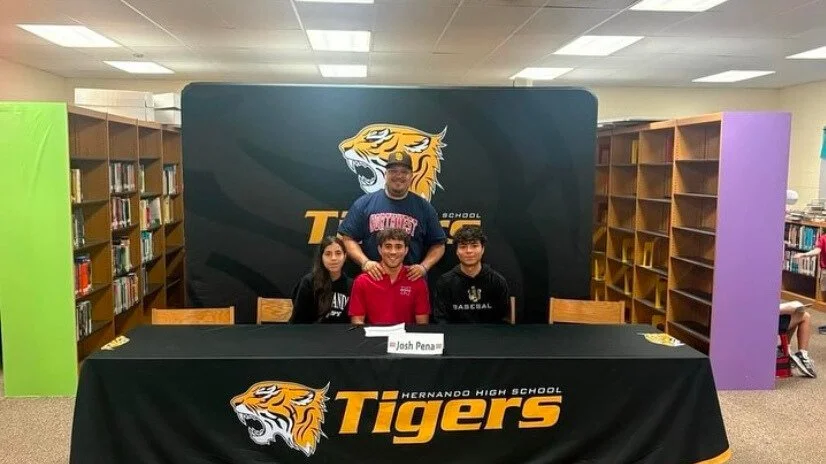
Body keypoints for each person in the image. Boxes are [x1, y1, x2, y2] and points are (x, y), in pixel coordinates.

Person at [338, 151, 446, 282]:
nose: (399, 176)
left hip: (409, 282)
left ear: (411, 176)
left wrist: (424, 267)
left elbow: (439, 244)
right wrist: (365, 262)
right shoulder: (364, 203)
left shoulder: (424, 208)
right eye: (393, 171)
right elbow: (347, 238)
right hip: (374, 280)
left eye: (404, 172)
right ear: (385, 174)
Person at [348, 228, 430, 325]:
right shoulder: (362, 281)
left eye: (398, 247)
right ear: (379, 249)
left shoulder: (417, 280)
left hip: (404, 339)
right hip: (373, 339)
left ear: (406, 250)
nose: (393, 252)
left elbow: (422, 326)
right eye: (388, 246)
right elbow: (357, 322)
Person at [434, 225, 510, 323]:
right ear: (456, 251)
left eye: (474, 246)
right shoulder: (445, 282)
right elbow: (441, 320)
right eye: (463, 246)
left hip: (490, 337)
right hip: (456, 336)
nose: (469, 251)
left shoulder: (497, 281)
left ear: (483, 249)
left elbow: (503, 320)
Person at [291, 236, 352, 323]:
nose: (333, 258)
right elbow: (298, 320)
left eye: (338, 253)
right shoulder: (309, 282)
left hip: (340, 335)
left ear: (345, 256)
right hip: (312, 334)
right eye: (328, 254)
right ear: (321, 257)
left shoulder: (351, 285)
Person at [778, 302, 817, 378]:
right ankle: (802, 355)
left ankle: (785, 349)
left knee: (793, 313)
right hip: (767, 322)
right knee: (805, 316)